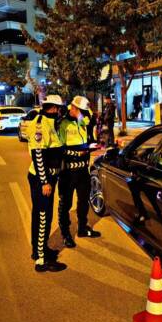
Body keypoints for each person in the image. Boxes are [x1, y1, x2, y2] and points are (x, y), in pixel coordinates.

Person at [27, 95, 67, 273]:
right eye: (58, 109)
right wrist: (44, 181)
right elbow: (38, 155)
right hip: (41, 179)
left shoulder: (50, 123)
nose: (59, 112)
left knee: (41, 215)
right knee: (43, 216)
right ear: (53, 108)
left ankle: (39, 250)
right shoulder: (40, 124)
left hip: (49, 177)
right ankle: (41, 261)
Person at [58, 96, 101, 248]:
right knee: (66, 204)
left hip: (83, 170)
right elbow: (61, 149)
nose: (83, 114)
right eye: (80, 110)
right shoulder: (62, 124)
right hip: (68, 172)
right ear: (73, 108)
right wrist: (79, 153)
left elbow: (92, 124)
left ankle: (82, 228)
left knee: (84, 201)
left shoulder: (82, 120)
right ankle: (65, 234)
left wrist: (91, 146)